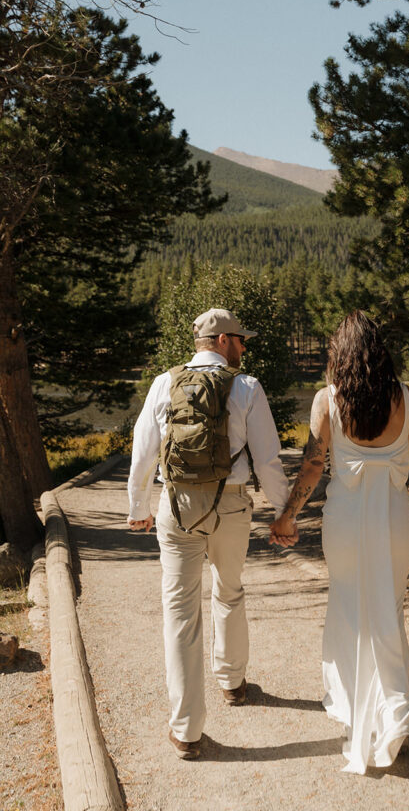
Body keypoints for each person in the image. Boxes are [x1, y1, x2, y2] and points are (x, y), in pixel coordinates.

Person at [128, 307, 290, 760]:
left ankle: (186, 731)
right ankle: (233, 683)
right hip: (232, 504)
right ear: (222, 341)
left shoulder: (164, 382)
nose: (244, 346)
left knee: (180, 613)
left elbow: (143, 450)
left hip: (176, 506)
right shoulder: (247, 387)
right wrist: (284, 512)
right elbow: (269, 460)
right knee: (230, 591)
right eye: (240, 338)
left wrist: (138, 507)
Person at [270, 310, 409, 775]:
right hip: (395, 518)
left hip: (347, 519)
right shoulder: (408, 399)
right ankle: (394, 716)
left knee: (350, 610)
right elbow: (405, 466)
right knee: (388, 611)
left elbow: (313, 466)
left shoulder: (326, 401)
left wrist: (287, 517)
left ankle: (358, 716)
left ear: (341, 355)